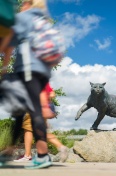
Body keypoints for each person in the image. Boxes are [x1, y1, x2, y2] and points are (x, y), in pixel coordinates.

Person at [0, 0, 55, 169]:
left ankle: (43, 156)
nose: (21, 5)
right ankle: (8, 152)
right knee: (19, 112)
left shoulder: (24, 17)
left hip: (28, 70)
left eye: (24, 2)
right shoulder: (43, 20)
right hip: (42, 71)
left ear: (30, 4)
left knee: (34, 111)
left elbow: (8, 42)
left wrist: (4, 66)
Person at [14, 83, 68, 163]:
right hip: (43, 108)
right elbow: (52, 94)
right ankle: (61, 147)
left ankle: (27, 155)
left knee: (28, 130)